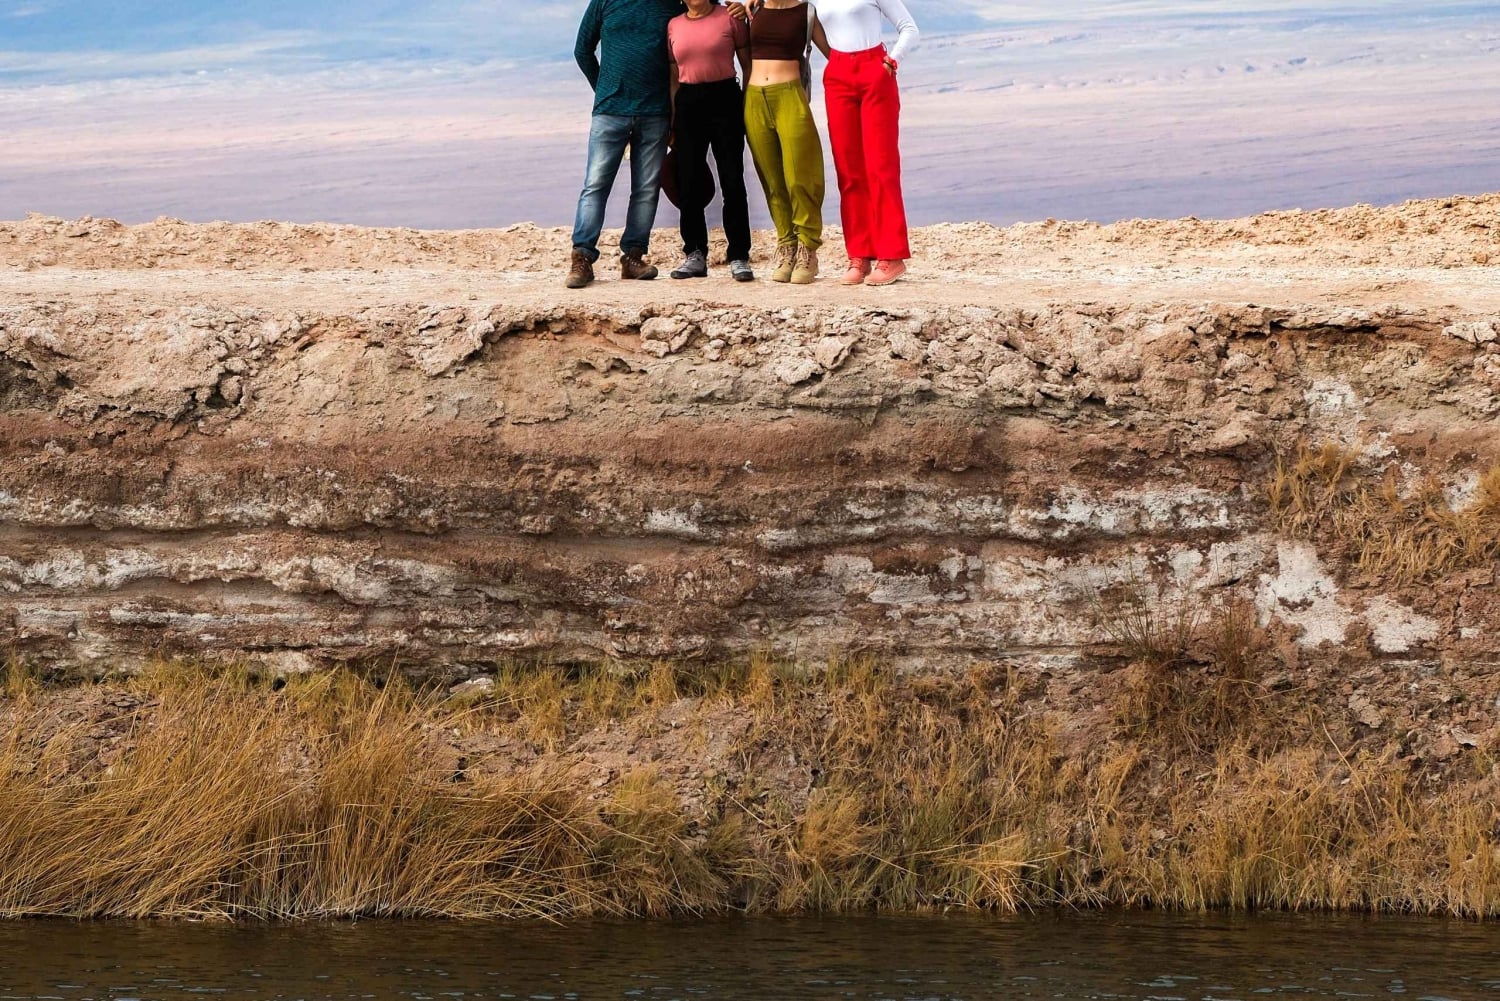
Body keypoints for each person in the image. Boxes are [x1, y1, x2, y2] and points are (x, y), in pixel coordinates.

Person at [566, 0, 684, 289]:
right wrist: (604, 89)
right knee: (595, 185)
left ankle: (633, 257)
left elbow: (702, 13)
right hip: (609, 113)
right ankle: (582, 258)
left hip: (655, 113)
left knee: (646, 189)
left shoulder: (671, 5)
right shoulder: (604, 2)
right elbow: (582, 49)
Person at [816, 0, 919, 286]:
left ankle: (891, 256)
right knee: (848, 169)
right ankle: (859, 255)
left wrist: (892, 60)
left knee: (880, 166)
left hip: (874, 69)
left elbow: (909, 28)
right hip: (837, 74)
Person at [667, 0, 756, 282]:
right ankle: (694, 253)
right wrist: (672, 120)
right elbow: (673, 78)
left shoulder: (730, 16)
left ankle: (739, 255)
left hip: (726, 99)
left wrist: (747, 103)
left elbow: (747, 62)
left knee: (732, 179)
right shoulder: (674, 25)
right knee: (688, 180)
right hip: (688, 104)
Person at [744, 0, 829, 284]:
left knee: (800, 175)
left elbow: (834, 53)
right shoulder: (754, 9)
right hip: (755, 98)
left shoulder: (806, 12)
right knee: (771, 179)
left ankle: (808, 248)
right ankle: (786, 244)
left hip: (790, 96)